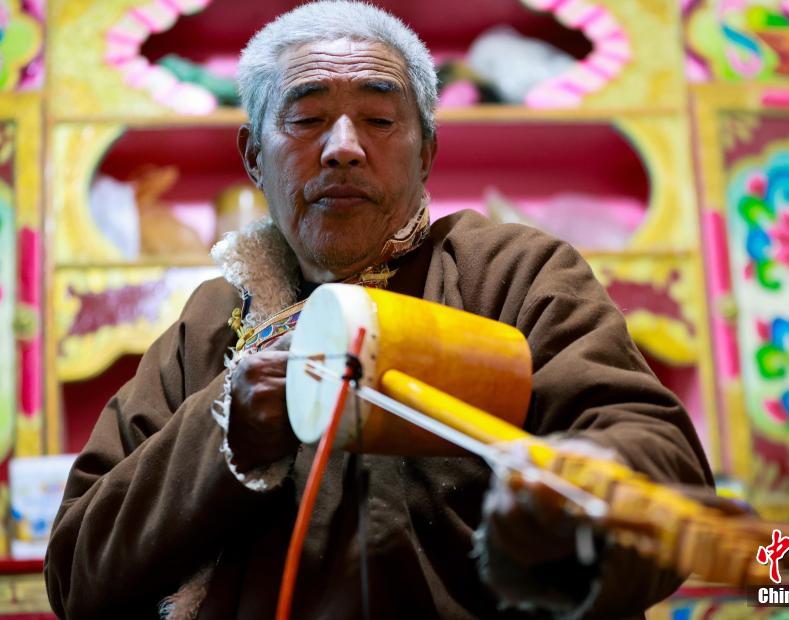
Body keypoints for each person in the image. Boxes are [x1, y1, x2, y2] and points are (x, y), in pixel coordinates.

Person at [45, 2, 713, 618]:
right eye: (306, 119)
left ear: (426, 153)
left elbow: (664, 465)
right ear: (253, 157)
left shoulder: (512, 275)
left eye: (380, 120)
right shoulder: (214, 323)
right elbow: (76, 575)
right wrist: (225, 434)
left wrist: (579, 482)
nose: (343, 146)